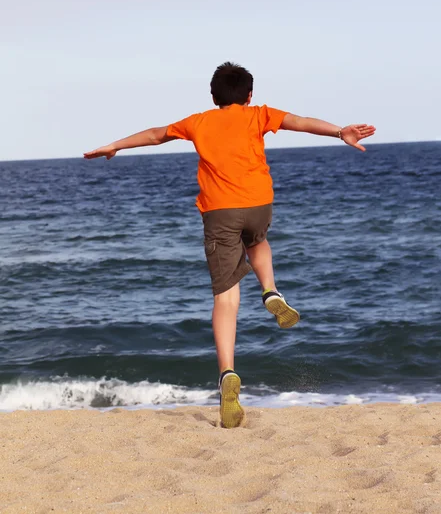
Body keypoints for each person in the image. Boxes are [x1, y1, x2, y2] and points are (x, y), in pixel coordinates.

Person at [84, 62, 376, 428]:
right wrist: (340, 132)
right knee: (258, 241)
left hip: (220, 211)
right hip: (259, 204)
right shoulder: (260, 115)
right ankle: (270, 290)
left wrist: (116, 145)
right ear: (250, 95)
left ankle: (227, 374)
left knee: (226, 298)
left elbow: (157, 134)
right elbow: (299, 121)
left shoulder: (198, 122)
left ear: (213, 96)